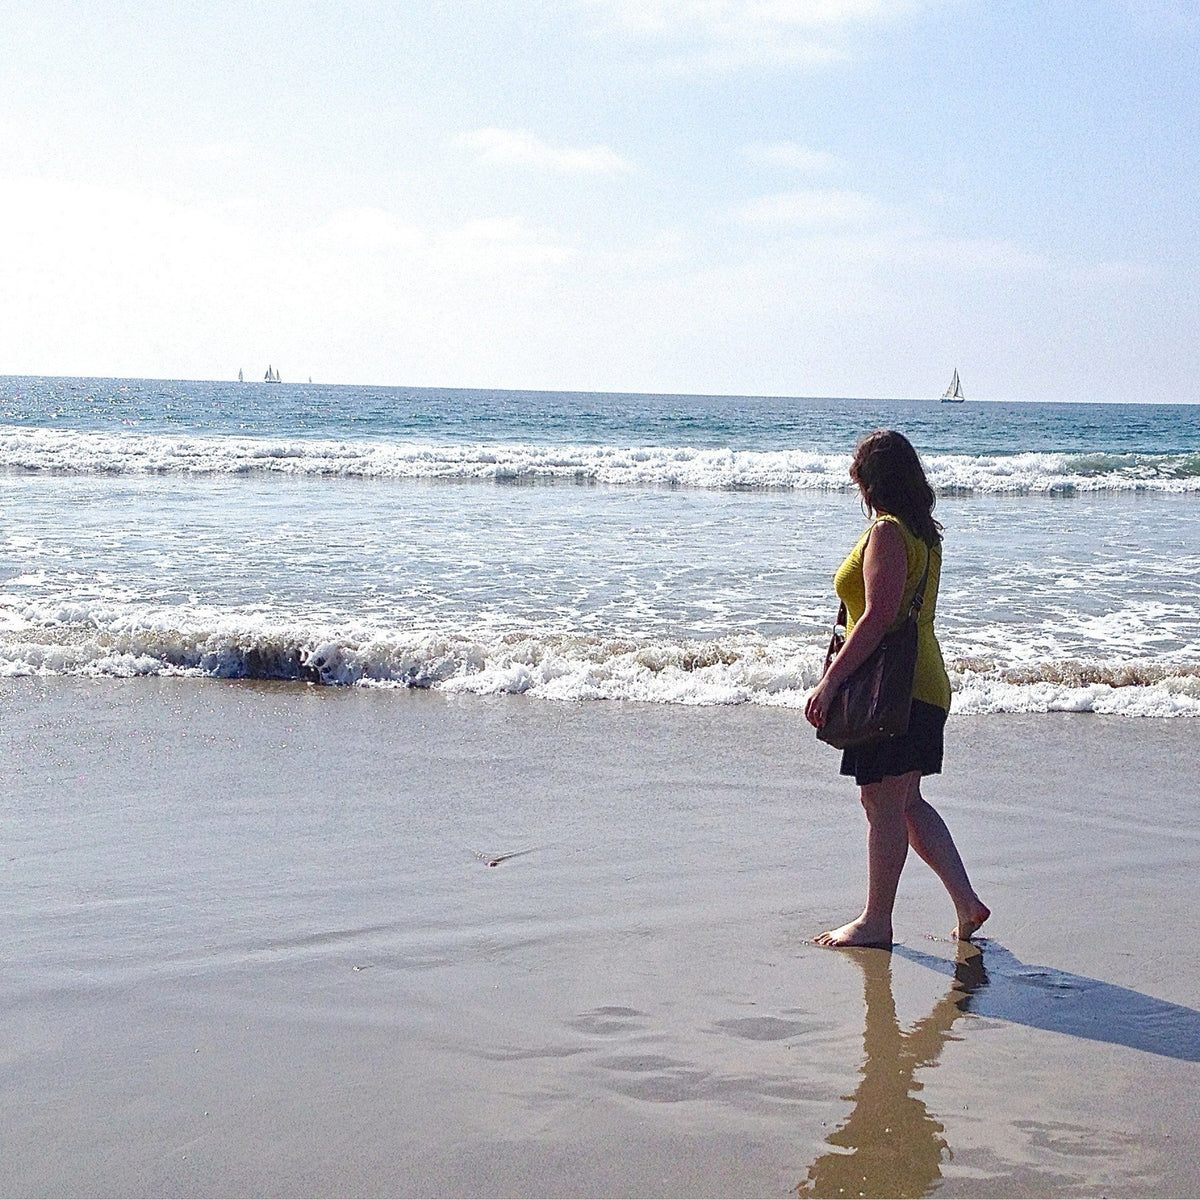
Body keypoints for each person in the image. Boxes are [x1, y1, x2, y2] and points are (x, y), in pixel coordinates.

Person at [805, 429, 989, 948]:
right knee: (907, 801)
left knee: (881, 804)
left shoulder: (887, 533)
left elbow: (878, 619)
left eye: (859, 481)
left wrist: (830, 680)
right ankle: (967, 904)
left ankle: (876, 921)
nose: (858, 493)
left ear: (873, 482)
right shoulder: (923, 534)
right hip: (925, 682)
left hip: (896, 688)